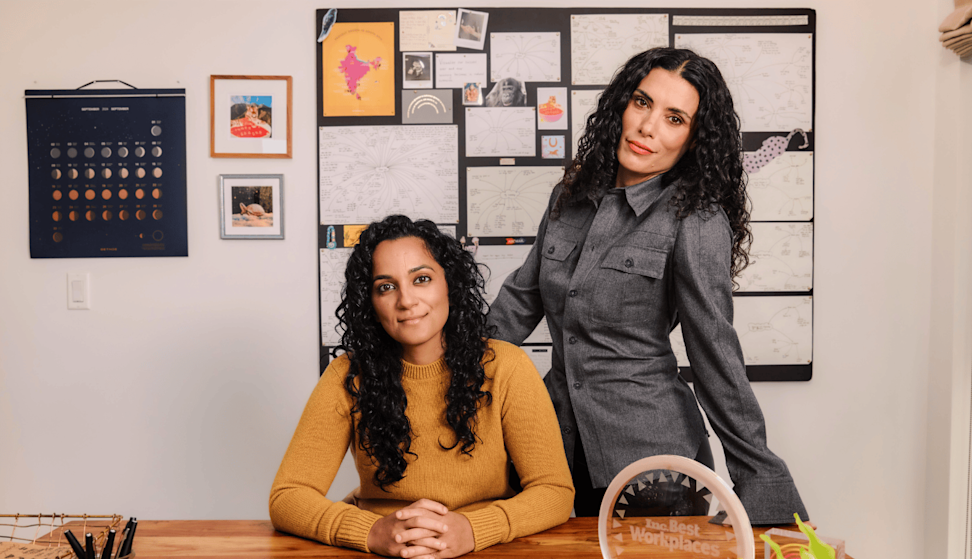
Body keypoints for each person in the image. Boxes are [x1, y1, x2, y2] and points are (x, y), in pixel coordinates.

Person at [487, 47, 809, 525]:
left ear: (693, 139)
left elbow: (715, 354)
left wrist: (763, 485)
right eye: (642, 102)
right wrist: (442, 372)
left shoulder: (695, 221)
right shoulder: (569, 195)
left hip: (653, 464)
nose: (648, 126)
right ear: (621, 104)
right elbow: (520, 300)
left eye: (674, 118)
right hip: (553, 448)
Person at [270, 215, 574, 558]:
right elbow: (288, 495)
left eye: (422, 279)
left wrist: (474, 529)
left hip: (484, 549)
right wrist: (370, 532)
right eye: (386, 286)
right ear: (370, 303)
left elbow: (554, 490)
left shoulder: (506, 367)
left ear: (450, 285)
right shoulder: (347, 376)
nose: (406, 300)